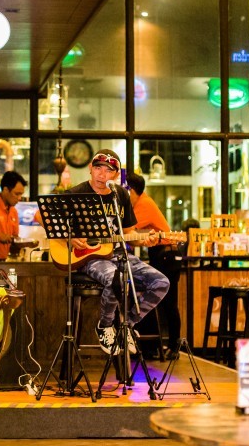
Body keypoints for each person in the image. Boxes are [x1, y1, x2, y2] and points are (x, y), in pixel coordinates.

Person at [47, 149, 169, 355]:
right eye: (98, 168)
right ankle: (104, 326)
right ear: (90, 168)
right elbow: (42, 216)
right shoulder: (76, 194)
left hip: (119, 254)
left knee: (161, 282)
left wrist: (145, 239)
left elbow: (129, 234)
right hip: (89, 257)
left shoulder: (120, 195)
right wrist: (69, 236)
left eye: (108, 170)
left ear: (115, 174)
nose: (102, 174)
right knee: (116, 278)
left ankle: (126, 325)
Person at [126, 172, 182, 360]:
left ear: (132, 190)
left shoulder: (143, 204)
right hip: (162, 254)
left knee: (168, 302)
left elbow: (129, 231)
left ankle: (173, 347)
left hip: (166, 254)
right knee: (154, 298)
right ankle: (151, 347)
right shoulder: (143, 202)